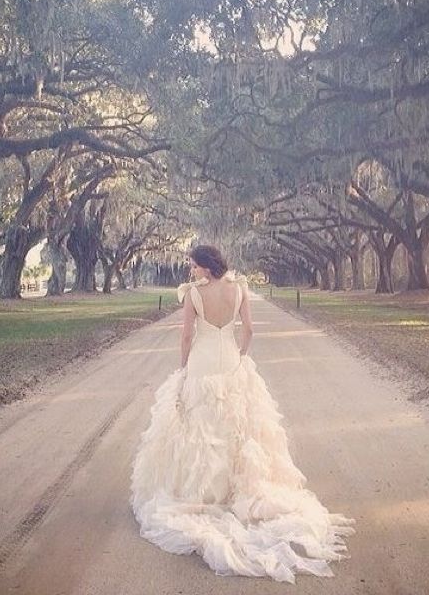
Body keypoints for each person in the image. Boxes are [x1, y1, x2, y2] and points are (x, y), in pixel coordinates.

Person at [130, 245, 354, 583]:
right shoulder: (241, 289)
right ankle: (234, 493)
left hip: (203, 366)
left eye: (193, 265)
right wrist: (241, 357)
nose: (191, 270)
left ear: (205, 266)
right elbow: (249, 330)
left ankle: (206, 495)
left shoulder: (193, 295)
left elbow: (187, 335)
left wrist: (183, 369)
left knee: (202, 431)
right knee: (237, 429)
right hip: (232, 363)